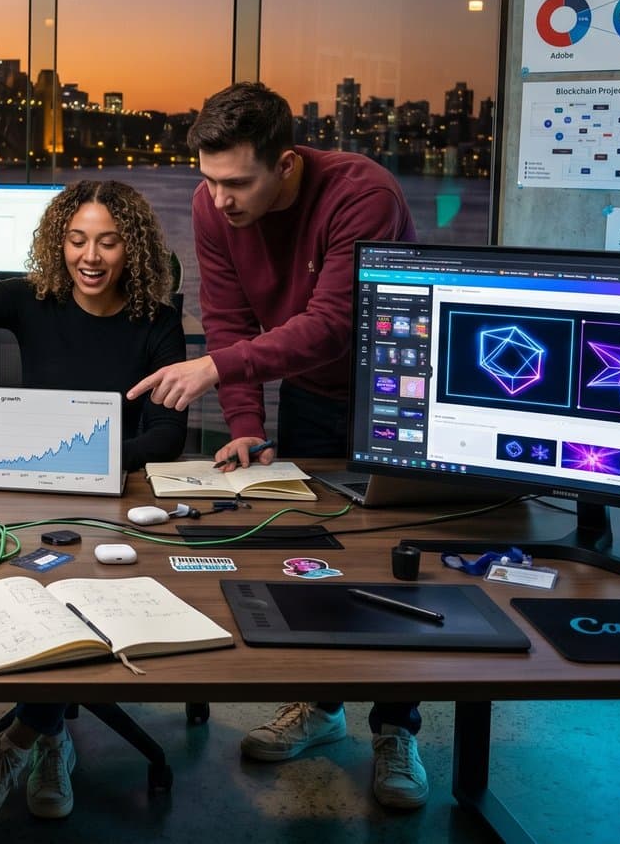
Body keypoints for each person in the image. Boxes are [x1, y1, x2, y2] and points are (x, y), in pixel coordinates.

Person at [127, 81, 425, 810]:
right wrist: (246, 428)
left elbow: (334, 321)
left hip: (395, 385)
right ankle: (324, 707)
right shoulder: (211, 205)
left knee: (399, 559)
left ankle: (398, 726)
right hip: (310, 391)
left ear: (286, 163)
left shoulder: (364, 194)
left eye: (236, 182)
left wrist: (219, 368)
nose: (219, 199)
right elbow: (228, 319)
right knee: (317, 552)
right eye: (208, 180)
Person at [0, 134, 186, 824]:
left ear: (132, 248)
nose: (89, 257)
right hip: (27, 499)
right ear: (57, 243)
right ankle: (49, 736)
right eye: (75, 239)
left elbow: (168, 435)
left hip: (112, 503)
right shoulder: (28, 299)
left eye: (106, 242)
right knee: (34, 598)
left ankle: (25, 737)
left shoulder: (157, 321)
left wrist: (97, 460)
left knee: (73, 597)